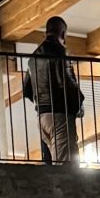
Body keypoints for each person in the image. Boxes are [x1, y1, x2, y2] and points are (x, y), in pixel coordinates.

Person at [22, 16, 83, 165]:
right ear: (63, 34)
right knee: (65, 165)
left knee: (51, 164)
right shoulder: (61, 52)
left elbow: (26, 89)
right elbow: (68, 81)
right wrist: (78, 103)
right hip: (60, 114)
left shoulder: (33, 57)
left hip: (42, 116)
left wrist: (41, 103)